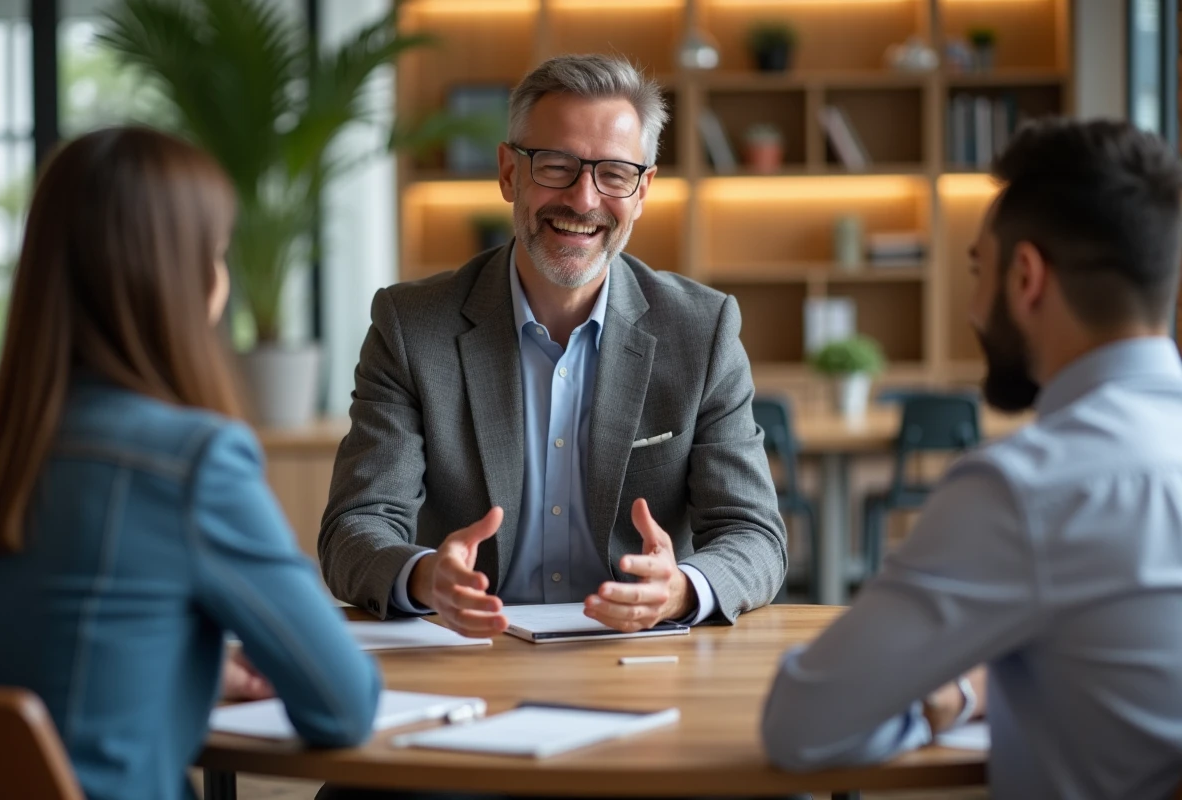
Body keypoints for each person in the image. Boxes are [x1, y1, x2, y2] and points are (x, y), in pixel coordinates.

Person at [761, 117, 1182, 799]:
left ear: (1027, 278)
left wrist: (948, 693)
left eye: (978, 269)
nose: (973, 308)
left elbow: (800, 725)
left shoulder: (1028, 490)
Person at [319, 53, 786, 637]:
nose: (584, 200)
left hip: (639, 657)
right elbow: (353, 529)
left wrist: (681, 589)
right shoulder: (411, 326)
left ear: (642, 191)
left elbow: (754, 536)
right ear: (510, 172)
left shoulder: (702, 330)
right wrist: (424, 576)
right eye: (556, 166)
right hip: (472, 655)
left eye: (613, 173)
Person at [0, 127, 381, 800]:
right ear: (183, 278)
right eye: (218, 255)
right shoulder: (191, 464)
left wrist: (179, 666)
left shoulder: (0, 438)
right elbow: (343, 707)